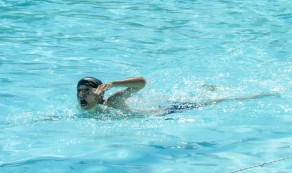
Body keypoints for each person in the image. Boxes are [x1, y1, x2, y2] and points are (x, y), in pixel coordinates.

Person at [76, 76, 274, 115]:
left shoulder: (112, 102)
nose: (81, 95)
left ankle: (255, 95)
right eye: (79, 91)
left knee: (212, 103)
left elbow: (141, 83)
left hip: (169, 112)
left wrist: (113, 84)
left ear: (99, 93)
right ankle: (207, 90)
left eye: (87, 90)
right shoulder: (84, 113)